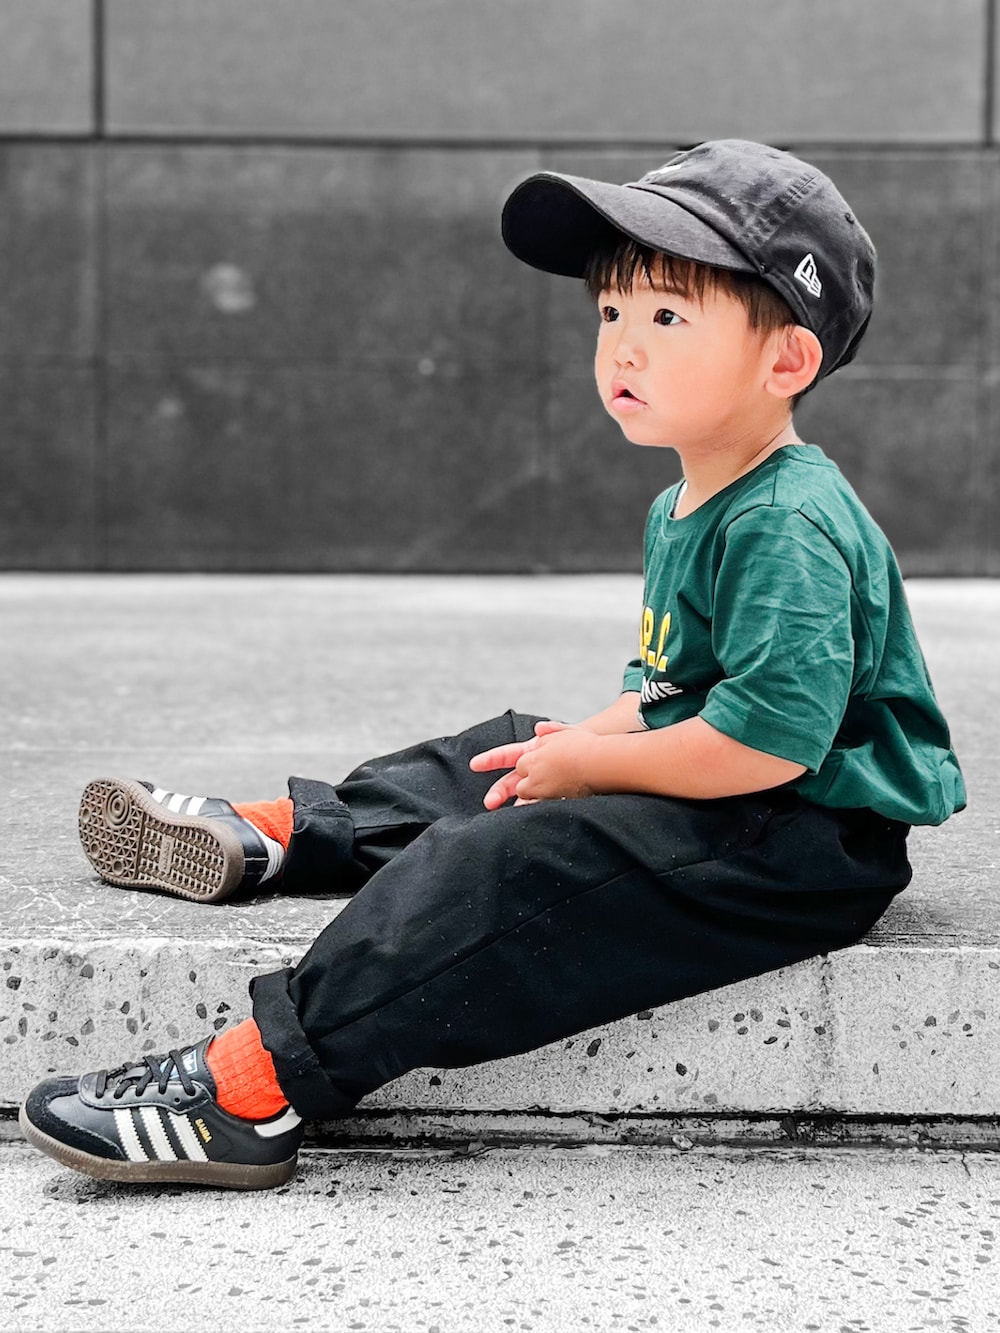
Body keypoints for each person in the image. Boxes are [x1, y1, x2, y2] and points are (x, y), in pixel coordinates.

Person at [20, 139, 965, 1190]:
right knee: (504, 752)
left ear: (785, 360)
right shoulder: (688, 499)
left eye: (666, 318)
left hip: (801, 845)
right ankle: (275, 836)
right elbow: (666, 694)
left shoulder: (787, 521)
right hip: (737, 791)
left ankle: (249, 1091)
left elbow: (761, 740)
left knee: (502, 866)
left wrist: (595, 773)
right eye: (610, 315)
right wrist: (583, 745)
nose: (622, 349)